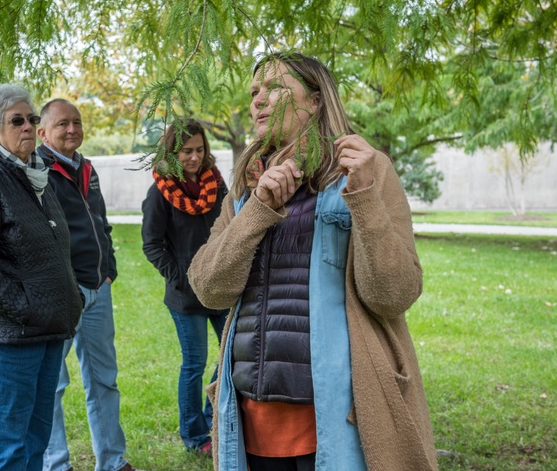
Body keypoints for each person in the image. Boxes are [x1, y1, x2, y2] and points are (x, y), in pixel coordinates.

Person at [188, 52, 439, 471]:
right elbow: (209, 289)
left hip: (338, 419)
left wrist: (363, 198)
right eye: (254, 92)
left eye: (275, 88)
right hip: (251, 419)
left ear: (316, 100)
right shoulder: (247, 185)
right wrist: (258, 208)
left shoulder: (365, 170)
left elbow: (393, 295)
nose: (259, 101)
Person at [0, 84, 83, 471]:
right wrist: (32, 308)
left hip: (44, 333)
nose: (28, 126)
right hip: (4, 340)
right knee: (8, 452)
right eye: (17, 121)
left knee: (35, 445)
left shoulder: (36, 180)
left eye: (32, 119)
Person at [36, 99, 138, 471]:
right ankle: (56, 464)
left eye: (76, 122)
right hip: (64, 293)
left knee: (103, 381)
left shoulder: (87, 168)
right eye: (62, 124)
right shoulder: (35, 170)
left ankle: (112, 461)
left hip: (98, 290)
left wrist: (108, 269)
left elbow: (100, 222)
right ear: (42, 132)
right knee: (53, 384)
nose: (72, 130)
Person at [141, 119, 229, 458]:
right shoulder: (161, 192)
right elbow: (152, 244)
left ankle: (213, 420)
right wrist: (179, 275)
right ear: (172, 152)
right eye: (186, 151)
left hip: (220, 288)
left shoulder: (216, 185)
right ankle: (194, 436)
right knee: (194, 363)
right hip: (186, 295)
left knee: (230, 355)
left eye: (199, 150)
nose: (194, 157)